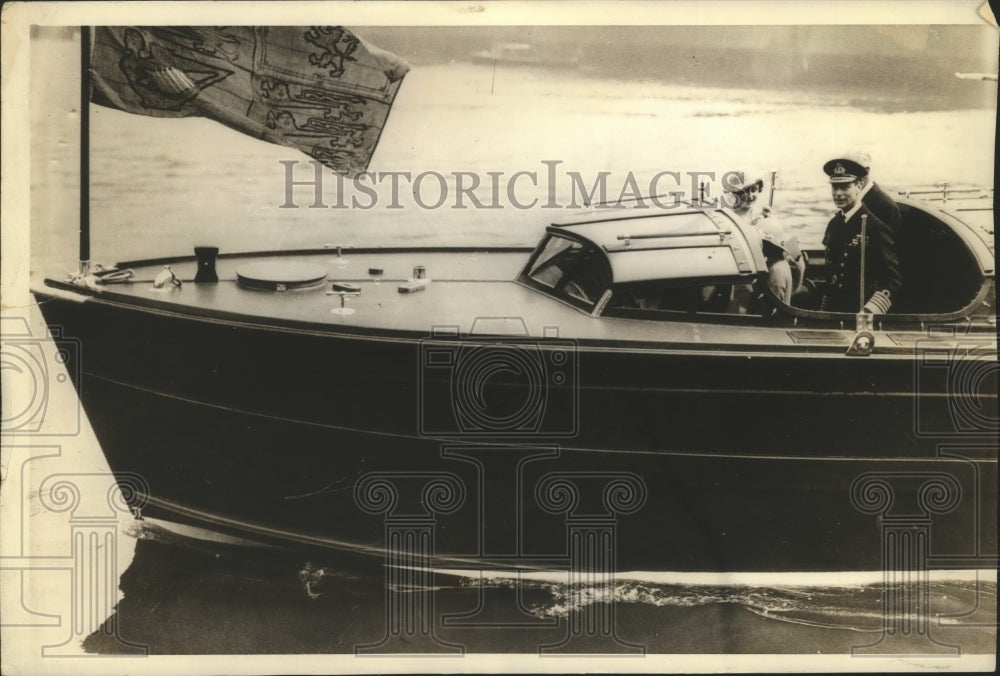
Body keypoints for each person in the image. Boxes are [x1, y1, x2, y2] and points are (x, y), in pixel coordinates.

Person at [820, 158, 902, 314]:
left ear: (859, 185)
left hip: (861, 313)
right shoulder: (834, 225)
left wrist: (869, 311)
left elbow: (892, 281)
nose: (838, 194)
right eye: (835, 187)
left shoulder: (874, 227)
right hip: (834, 311)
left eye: (844, 187)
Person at [724, 170, 806, 305]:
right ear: (734, 193)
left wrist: (771, 223)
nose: (749, 196)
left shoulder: (764, 215)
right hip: (739, 271)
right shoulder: (727, 217)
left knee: (781, 268)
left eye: (753, 190)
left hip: (766, 268)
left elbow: (781, 243)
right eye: (744, 191)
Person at [823, 152, 901, 231]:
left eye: (854, 170)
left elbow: (889, 241)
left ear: (866, 171)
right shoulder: (850, 200)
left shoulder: (887, 206)